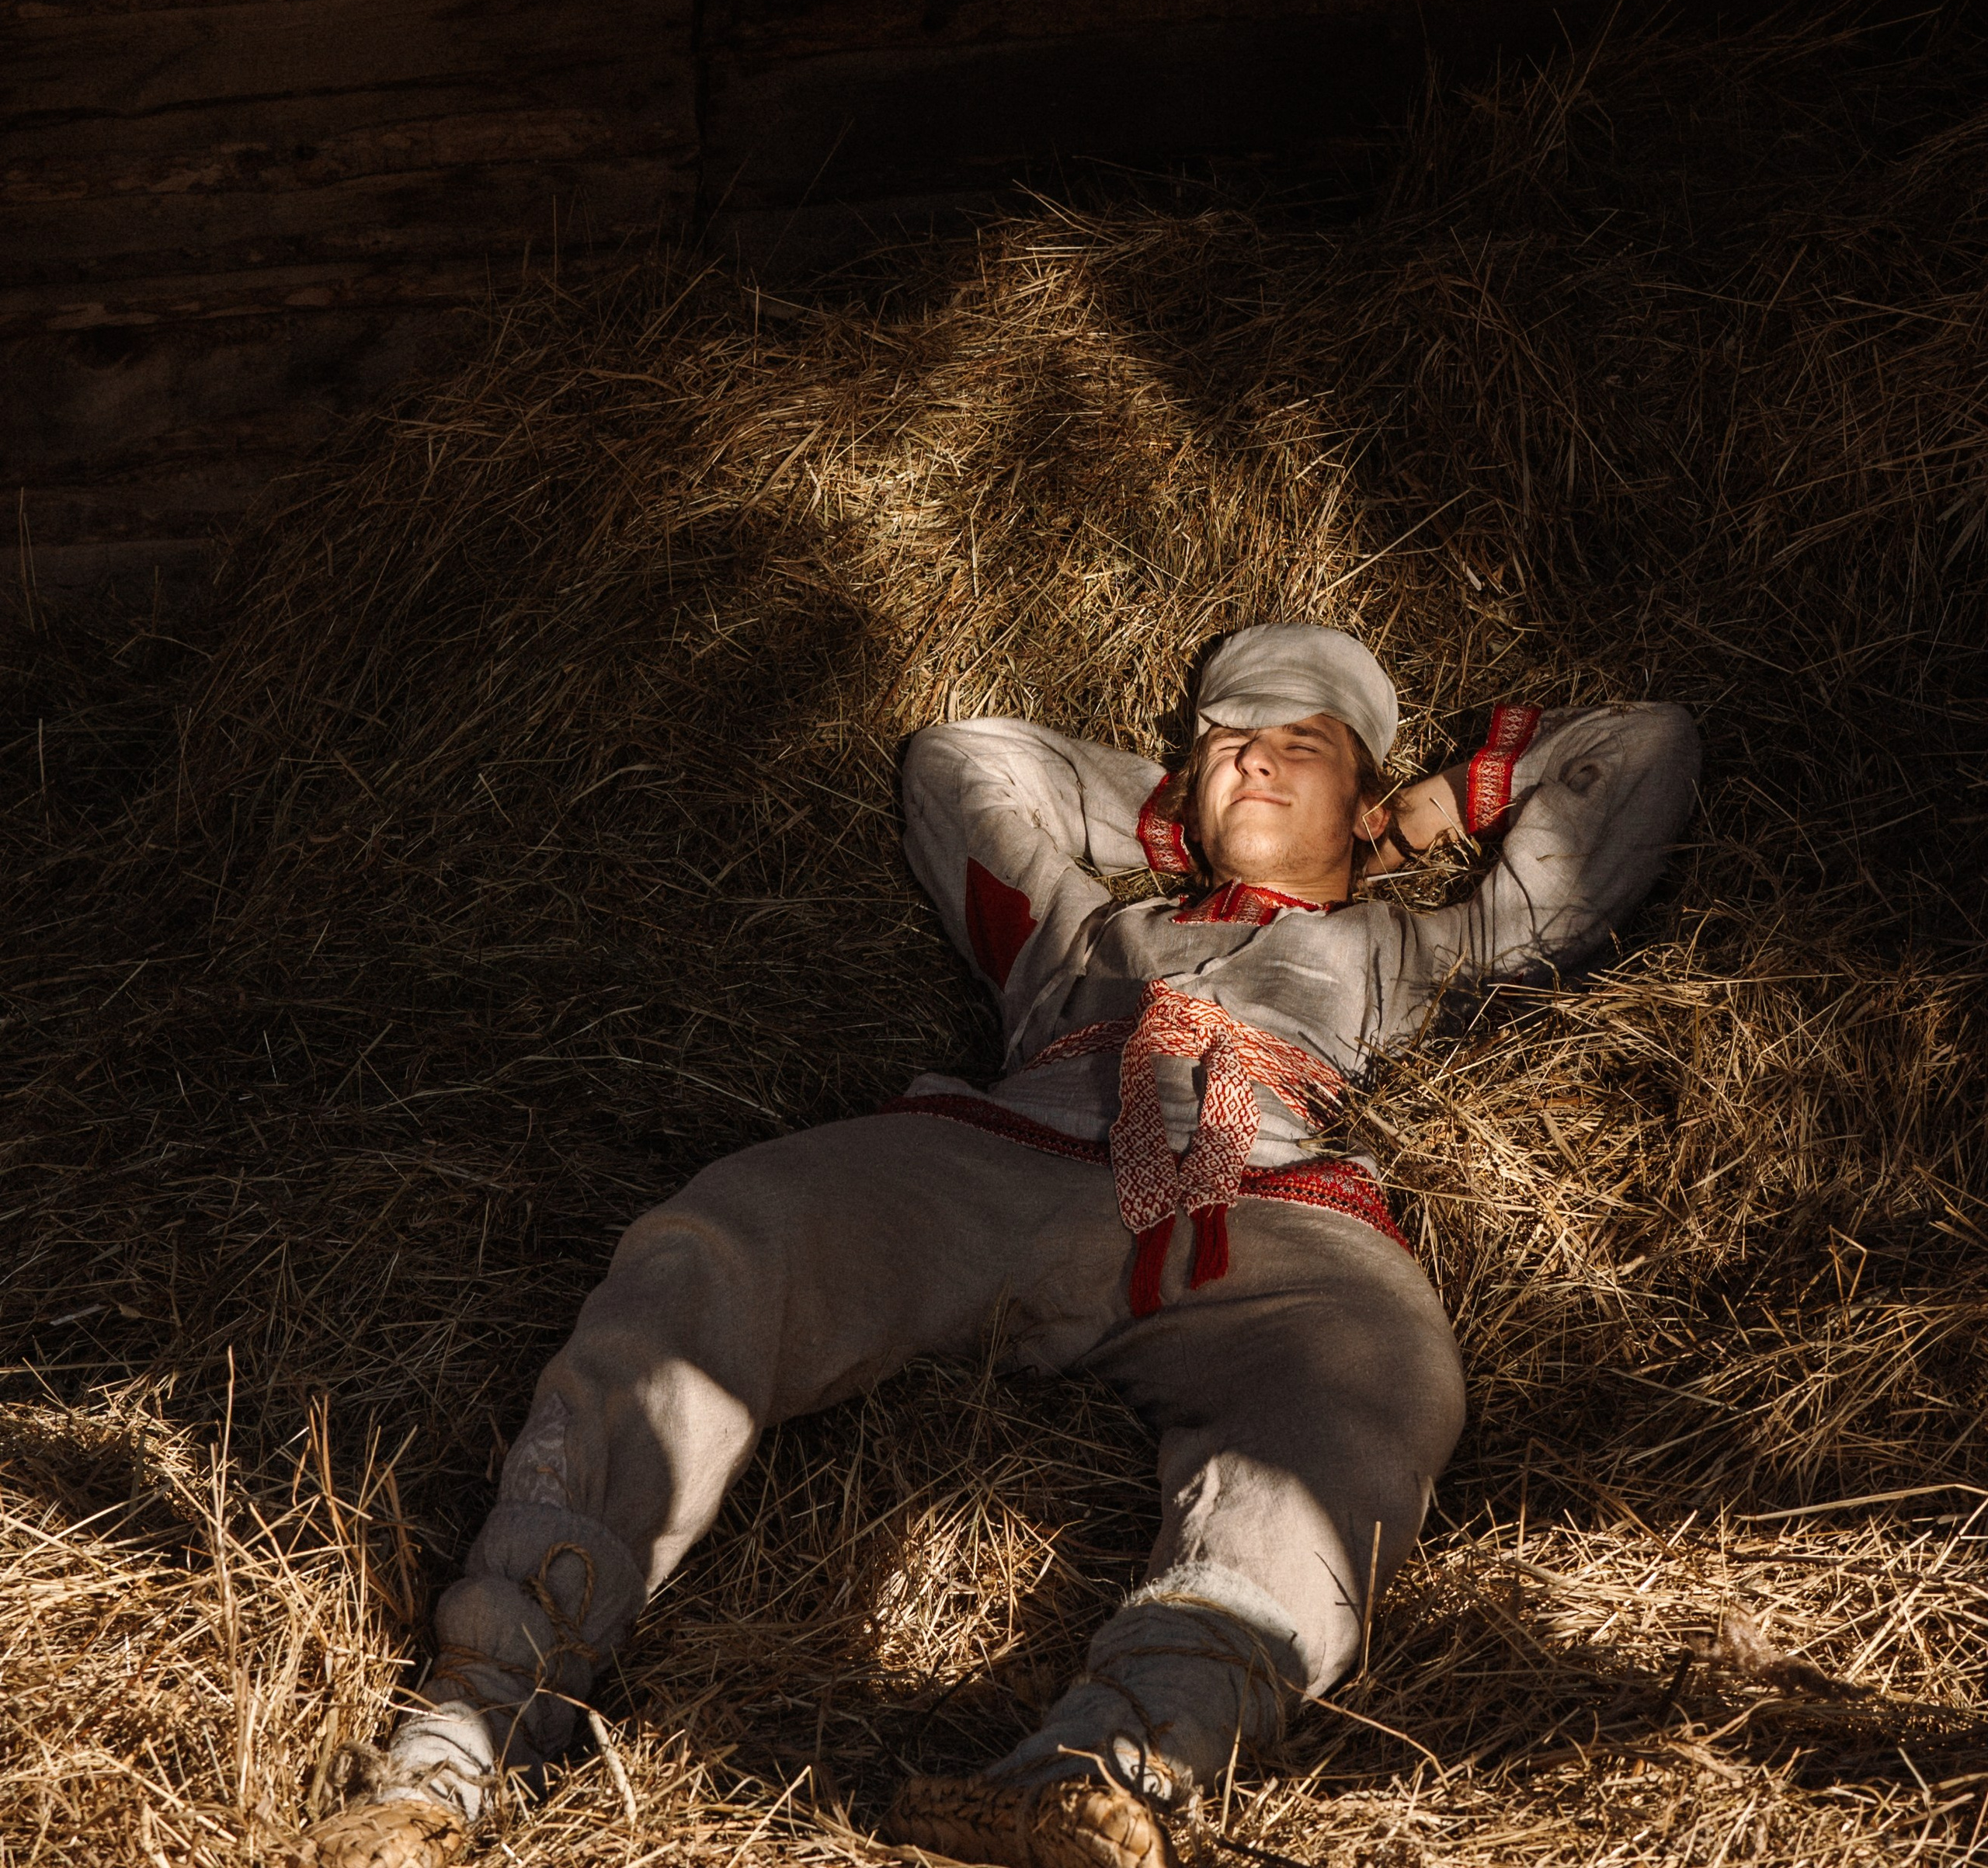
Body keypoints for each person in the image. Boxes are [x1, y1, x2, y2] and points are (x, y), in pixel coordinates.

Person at [306, 622, 1698, 1868]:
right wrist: (1188, 816)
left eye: (1298, 747)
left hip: (1262, 1206)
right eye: (1223, 747)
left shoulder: (1417, 947)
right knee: (723, 1236)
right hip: (1000, 1156)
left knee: (1380, 1375)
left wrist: (1434, 808)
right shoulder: (1080, 935)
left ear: (1364, 785)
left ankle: (1114, 1771)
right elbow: (959, 764)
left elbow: (1641, 754)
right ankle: (469, 1731)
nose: (1252, 766)